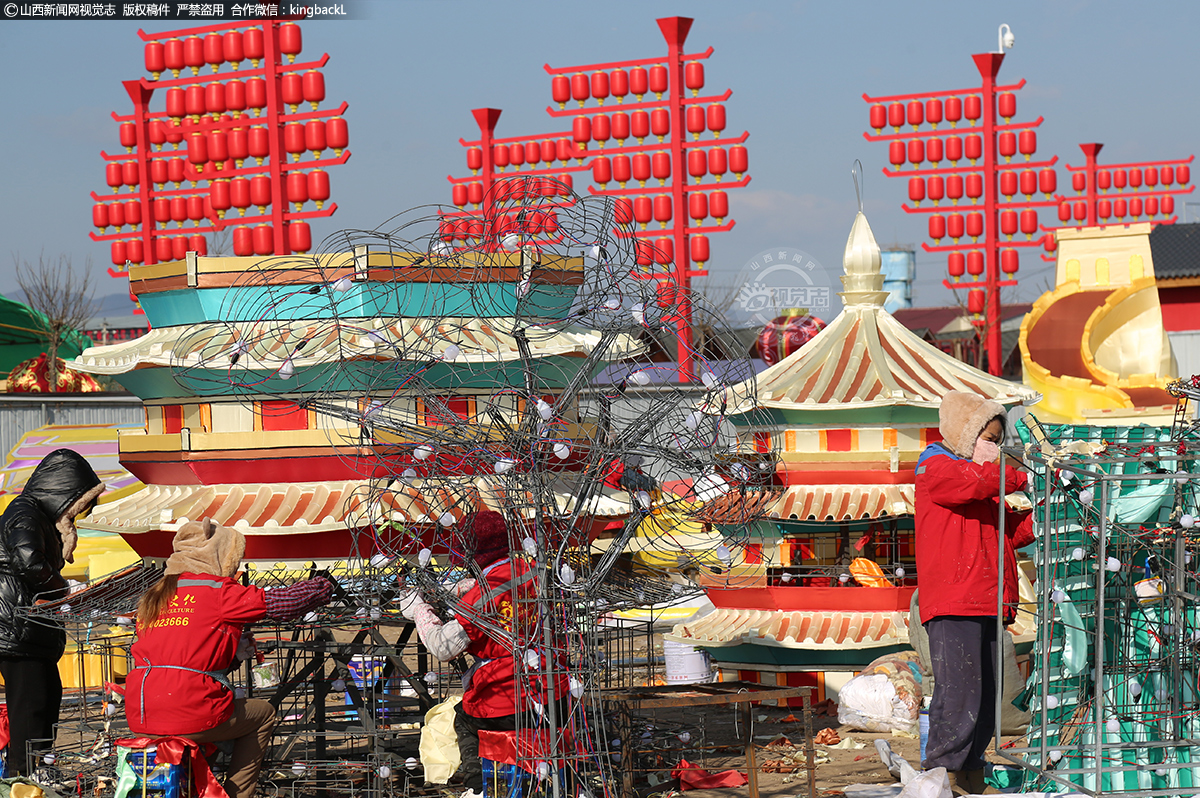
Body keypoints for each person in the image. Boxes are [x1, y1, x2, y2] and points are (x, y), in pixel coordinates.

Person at [125, 518, 333, 798]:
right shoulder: (216, 590)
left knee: (210, 723)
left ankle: (193, 786)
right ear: (220, 554)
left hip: (141, 711)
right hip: (188, 708)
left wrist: (230, 652)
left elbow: (181, 651)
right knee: (262, 715)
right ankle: (236, 793)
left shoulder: (154, 595)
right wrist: (322, 586)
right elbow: (282, 603)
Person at [399, 511, 570, 798]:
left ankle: (478, 788)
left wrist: (420, 610)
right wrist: (458, 591)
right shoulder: (532, 569)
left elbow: (443, 646)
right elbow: (502, 589)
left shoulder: (481, 598)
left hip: (509, 701)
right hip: (555, 694)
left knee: (463, 717)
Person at [915, 391, 1033, 795]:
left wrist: (1048, 513)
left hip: (986, 600)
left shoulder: (982, 484)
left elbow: (1010, 533)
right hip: (955, 599)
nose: (994, 448)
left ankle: (969, 772)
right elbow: (966, 485)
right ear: (965, 433)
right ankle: (942, 774)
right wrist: (1020, 472)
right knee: (961, 691)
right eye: (989, 437)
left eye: (999, 441)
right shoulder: (937, 466)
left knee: (985, 697)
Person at [0, 448, 104, 775]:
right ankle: (23, 781)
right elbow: (28, 558)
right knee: (30, 709)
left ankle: (37, 772)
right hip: (17, 629)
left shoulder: (37, 516)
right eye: (78, 506)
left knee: (45, 701)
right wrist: (64, 587)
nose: (77, 515)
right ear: (63, 493)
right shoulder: (25, 512)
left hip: (29, 631)